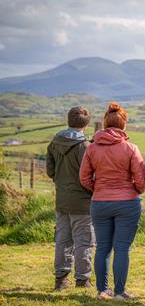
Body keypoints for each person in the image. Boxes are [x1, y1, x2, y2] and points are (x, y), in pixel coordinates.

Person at [80, 103, 145, 300]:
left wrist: (99, 190)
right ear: (123, 125)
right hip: (127, 203)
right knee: (122, 248)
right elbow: (141, 179)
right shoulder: (130, 148)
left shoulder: (92, 148)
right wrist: (134, 190)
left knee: (102, 247)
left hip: (100, 202)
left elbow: (84, 178)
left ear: (104, 124)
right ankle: (119, 291)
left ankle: (102, 290)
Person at [47, 106, 95, 290]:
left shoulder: (55, 142)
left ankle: (61, 279)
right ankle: (82, 280)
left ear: (68, 120)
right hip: (82, 201)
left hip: (62, 198)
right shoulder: (85, 146)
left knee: (63, 240)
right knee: (84, 241)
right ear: (86, 124)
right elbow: (90, 176)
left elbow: (50, 171)